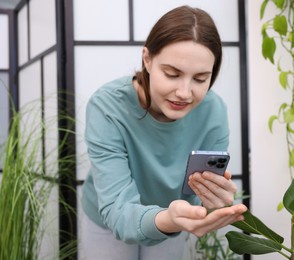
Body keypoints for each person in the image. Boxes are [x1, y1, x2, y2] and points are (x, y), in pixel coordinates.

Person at [80, 5, 247, 260]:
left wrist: (209, 203)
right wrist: (170, 218)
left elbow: (198, 195)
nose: (184, 92)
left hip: (174, 215)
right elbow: (117, 209)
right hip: (109, 219)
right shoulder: (107, 107)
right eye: (172, 74)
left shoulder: (214, 111)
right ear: (147, 59)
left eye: (201, 79)